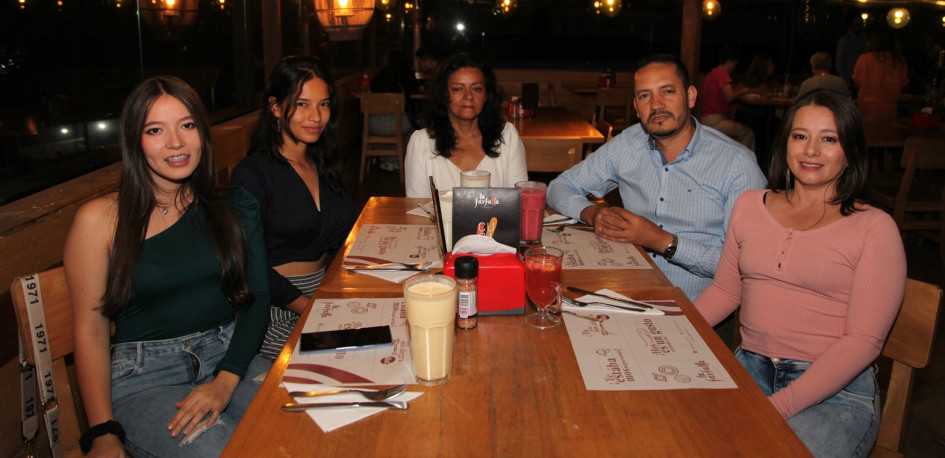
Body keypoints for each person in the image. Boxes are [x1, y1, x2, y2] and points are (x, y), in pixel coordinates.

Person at [63, 76, 270, 457]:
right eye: (155, 130)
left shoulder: (235, 207)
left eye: (187, 125)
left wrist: (226, 380)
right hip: (147, 378)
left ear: (202, 134)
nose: (176, 142)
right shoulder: (100, 220)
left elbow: (256, 300)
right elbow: (90, 332)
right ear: (134, 142)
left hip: (230, 356)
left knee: (300, 426)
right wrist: (102, 432)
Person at [694, 90, 907, 457]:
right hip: (749, 371)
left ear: (852, 151)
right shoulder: (749, 205)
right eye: (800, 136)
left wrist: (779, 406)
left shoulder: (875, 228)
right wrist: (674, 326)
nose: (811, 150)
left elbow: (864, 341)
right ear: (785, 143)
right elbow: (726, 293)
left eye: (829, 139)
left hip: (834, 391)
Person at [547, 53, 766, 342]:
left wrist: (662, 241)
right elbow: (559, 187)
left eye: (667, 91)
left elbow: (746, 266)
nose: (657, 105)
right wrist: (593, 214)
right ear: (636, 107)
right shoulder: (628, 143)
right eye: (645, 96)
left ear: (690, 96)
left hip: (701, 315)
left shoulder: (737, 163)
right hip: (625, 300)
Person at [231, 56, 355, 361]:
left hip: (320, 296)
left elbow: (344, 240)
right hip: (273, 310)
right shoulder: (253, 173)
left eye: (324, 104)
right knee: (348, 363)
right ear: (275, 106)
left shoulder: (325, 166)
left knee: (386, 342)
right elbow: (245, 262)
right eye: (302, 104)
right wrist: (308, 305)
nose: (316, 116)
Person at [405, 53, 528, 198]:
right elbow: (417, 210)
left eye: (476, 89)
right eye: (458, 89)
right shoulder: (421, 143)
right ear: (444, 94)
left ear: (486, 96)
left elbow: (518, 202)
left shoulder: (507, 136)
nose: (468, 96)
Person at [370, 50, 420, 171]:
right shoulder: (407, 74)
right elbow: (415, 90)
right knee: (413, 130)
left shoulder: (380, 75)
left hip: (373, 123)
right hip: (398, 122)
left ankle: (387, 160)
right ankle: (402, 160)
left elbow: (372, 88)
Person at [701, 46, 756, 151]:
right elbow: (730, 96)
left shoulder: (712, 73)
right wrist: (742, 91)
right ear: (730, 62)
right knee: (748, 133)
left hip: (706, 119)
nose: (734, 67)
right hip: (716, 121)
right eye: (734, 64)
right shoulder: (722, 74)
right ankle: (745, 162)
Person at [853, 29, 909, 122]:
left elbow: (857, 81)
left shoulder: (865, 58)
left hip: (867, 105)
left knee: (868, 133)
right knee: (887, 132)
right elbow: (903, 83)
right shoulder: (898, 60)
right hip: (890, 105)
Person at [836, 14, 867, 87]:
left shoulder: (866, 39)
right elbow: (840, 65)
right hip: (852, 80)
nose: (860, 27)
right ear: (850, 26)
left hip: (865, 79)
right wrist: (848, 83)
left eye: (861, 24)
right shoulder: (844, 41)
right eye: (857, 24)